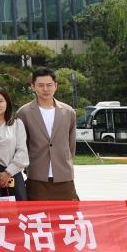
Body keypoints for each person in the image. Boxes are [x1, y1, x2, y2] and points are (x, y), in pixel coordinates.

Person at [16, 67, 79, 201]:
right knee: (38, 213)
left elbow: (71, 143)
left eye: (49, 85)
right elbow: (22, 144)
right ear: (33, 86)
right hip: (37, 175)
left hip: (64, 175)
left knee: (67, 212)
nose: (45, 89)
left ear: (56, 86)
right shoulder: (24, 113)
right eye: (40, 85)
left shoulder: (68, 112)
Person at [0, 85, 29, 201]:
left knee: (18, 211)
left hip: (13, 175)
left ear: (7, 103)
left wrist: (7, 173)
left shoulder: (17, 124)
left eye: (1, 101)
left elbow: (22, 152)